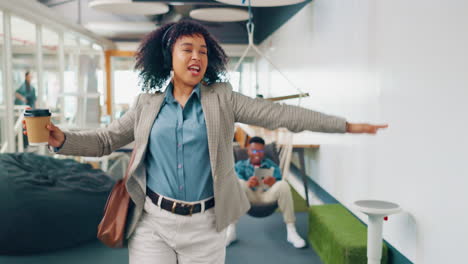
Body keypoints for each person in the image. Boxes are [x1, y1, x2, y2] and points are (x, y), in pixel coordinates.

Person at [23, 20, 387, 263]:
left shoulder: (222, 99)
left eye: (203, 50)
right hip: (153, 223)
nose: (197, 56)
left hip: (207, 225)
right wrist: (63, 139)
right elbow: (105, 140)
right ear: (169, 56)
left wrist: (345, 125)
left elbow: (280, 115)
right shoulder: (146, 104)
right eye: (187, 49)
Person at [226, 136, 306, 248]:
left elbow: (278, 179)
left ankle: (291, 230)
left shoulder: (270, 164)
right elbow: (234, 182)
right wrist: (247, 183)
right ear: (248, 151)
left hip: (267, 195)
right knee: (238, 183)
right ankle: (231, 230)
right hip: (249, 197)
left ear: (263, 151)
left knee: (283, 184)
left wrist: (273, 181)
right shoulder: (240, 165)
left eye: (260, 151)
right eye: (254, 150)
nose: (257, 154)